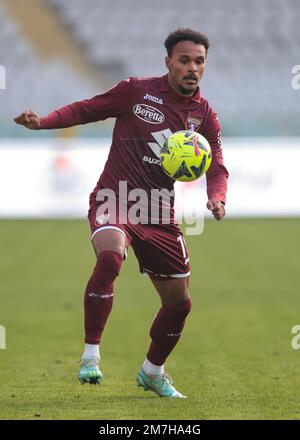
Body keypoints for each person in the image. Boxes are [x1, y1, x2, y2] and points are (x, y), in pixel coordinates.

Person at [14, 28, 228, 398]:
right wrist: (44, 122)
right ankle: (90, 356)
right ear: (168, 63)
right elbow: (87, 109)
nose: (192, 68)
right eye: (184, 60)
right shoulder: (135, 90)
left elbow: (217, 166)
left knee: (179, 304)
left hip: (158, 211)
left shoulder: (204, 115)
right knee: (111, 258)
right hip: (115, 198)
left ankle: (153, 372)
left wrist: (218, 197)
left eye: (199, 62)